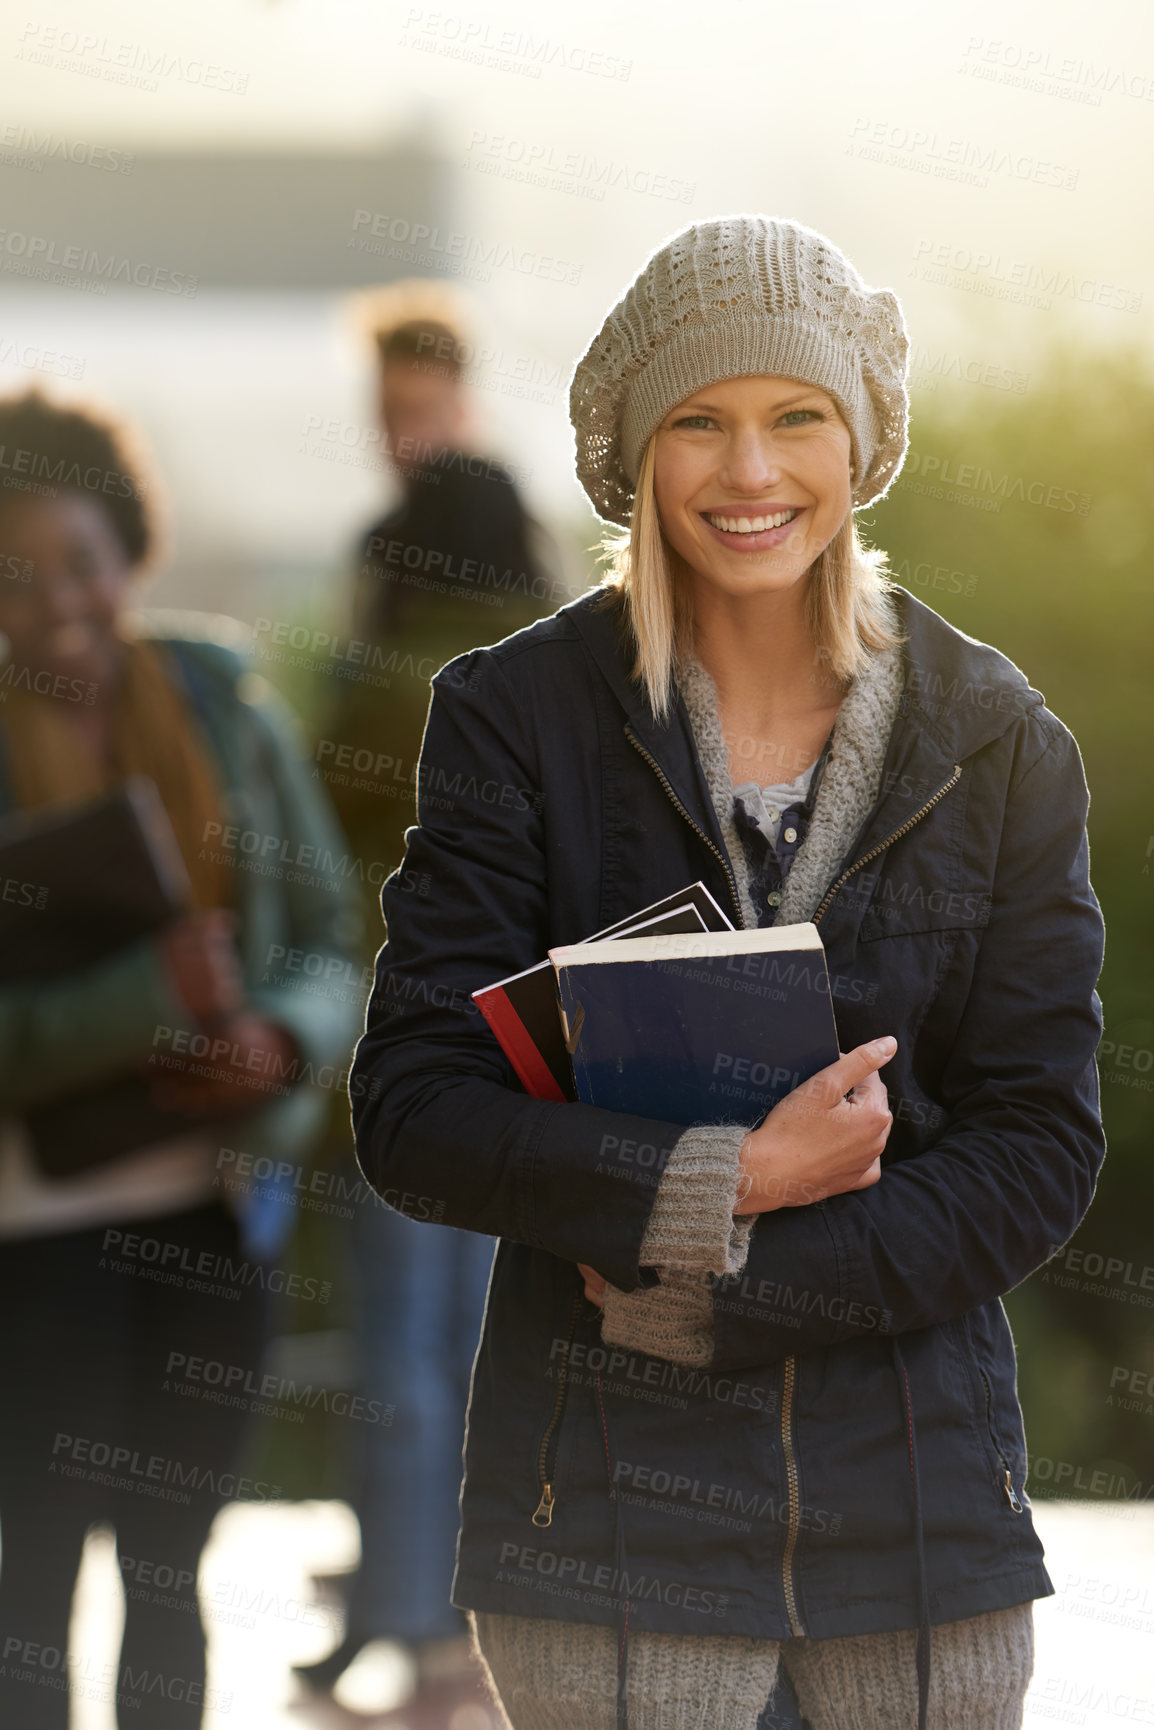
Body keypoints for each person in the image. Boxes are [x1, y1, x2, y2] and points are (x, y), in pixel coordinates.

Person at [347, 217, 1106, 1730]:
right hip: (607, 1528)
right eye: (697, 421)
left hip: (920, 1521)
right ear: (630, 455)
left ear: (860, 439)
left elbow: (1042, 1137)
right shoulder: (514, 718)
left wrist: (723, 1285)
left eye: (793, 418)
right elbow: (412, 1107)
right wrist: (724, 1179)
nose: (748, 472)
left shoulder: (996, 733)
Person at [0, 389, 362, 1729]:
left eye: (80, 564)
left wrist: (279, 1038)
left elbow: (328, 938)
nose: (58, 607)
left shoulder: (222, 705)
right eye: (15, 579)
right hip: (34, 1237)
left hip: (219, 1210)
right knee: (28, 1579)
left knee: (171, 1571)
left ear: (130, 551)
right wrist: (142, 1000)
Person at [295, 282, 560, 1717]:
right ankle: (463, 1625)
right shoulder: (556, 658)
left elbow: (321, 829)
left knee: (398, 1341)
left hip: (405, 1038)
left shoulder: (391, 665)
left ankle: (412, 1619)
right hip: (524, 1046)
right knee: (478, 1336)